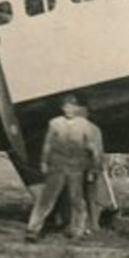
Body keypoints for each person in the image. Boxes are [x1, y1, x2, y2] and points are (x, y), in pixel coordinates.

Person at [26, 95, 101, 241]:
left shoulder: (84, 125)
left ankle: (78, 231)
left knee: (76, 200)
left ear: (77, 108)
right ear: (62, 108)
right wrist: (43, 162)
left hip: (76, 167)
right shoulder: (54, 123)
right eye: (66, 106)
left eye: (73, 107)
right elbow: (48, 144)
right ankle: (33, 230)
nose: (69, 110)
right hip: (57, 166)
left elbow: (93, 148)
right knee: (46, 199)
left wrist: (93, 167)